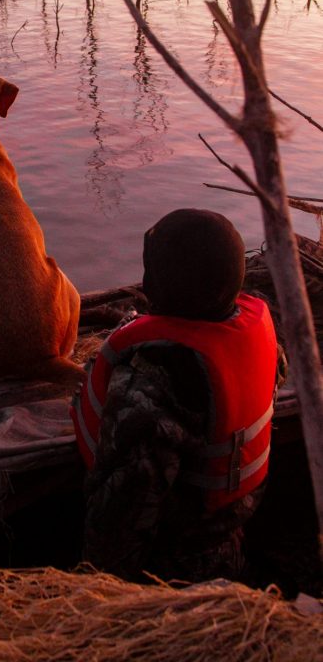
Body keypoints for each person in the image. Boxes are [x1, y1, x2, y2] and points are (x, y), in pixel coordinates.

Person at [71, 208, 285, 584]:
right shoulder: (259, 338)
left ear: (161, 285)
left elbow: (122, 516)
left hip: (167, 570)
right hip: (229, 540)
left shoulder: (156, 379)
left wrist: (98, 589)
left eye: (151, 270)